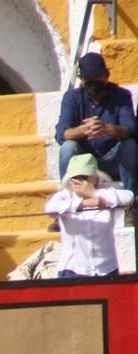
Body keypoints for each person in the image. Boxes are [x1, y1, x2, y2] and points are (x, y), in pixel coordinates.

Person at [55, 52, 136, 193]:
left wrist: (108, 129)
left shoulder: (121, 95)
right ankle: (68, 198)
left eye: (96, 77)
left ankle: (133, 201)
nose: (93, 82)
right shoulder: (72, 98)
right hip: (84, 162)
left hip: (113, 158)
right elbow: (62, 135)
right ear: (82, 80)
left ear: (106, 76)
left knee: (130, 145)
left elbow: (132, 129)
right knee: (68, 147)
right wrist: (84, 129)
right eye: (88, 78)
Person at [45, 153, 135, 278]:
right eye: (75, 177)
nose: (80, 181)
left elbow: (129, 197)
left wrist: (93, 193)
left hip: (106, 268)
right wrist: (82, 203)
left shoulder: (106, 192)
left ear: (95, 177)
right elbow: (50, 208)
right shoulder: (65, 196)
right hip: (73, 269)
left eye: (84, 177)